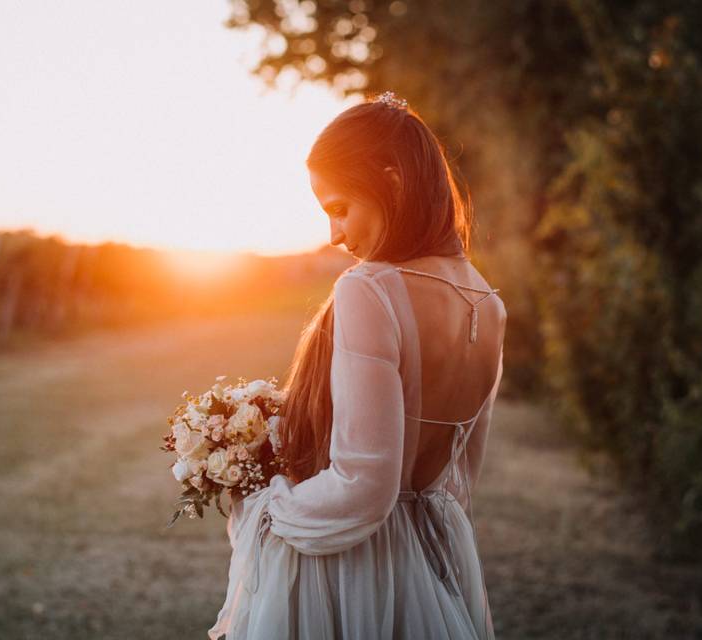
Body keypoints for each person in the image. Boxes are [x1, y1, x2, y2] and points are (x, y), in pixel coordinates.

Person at [209, 92, 506, 640]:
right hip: (435, 551)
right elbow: (459, 481)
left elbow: (365, 483)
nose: (335, 235)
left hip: (356, 567)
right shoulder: (490, 302)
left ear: (391, 179)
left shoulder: (371, 289)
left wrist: (270, 508)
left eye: (339, 208)